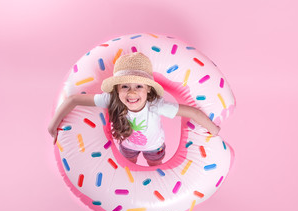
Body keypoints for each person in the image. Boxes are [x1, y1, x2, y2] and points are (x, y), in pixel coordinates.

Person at [48, 52, 220, 166]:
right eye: (125, 86)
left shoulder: (155, 105)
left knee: (155, 172)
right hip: (126, 147)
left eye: (138, 86)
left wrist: (214, 129)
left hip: (155, 148)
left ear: (148, 89)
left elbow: (192, 112)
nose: (131, 92)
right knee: (129, 170)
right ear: (116, 89)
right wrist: (52, 125)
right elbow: (73, 99)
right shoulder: (109, 100)